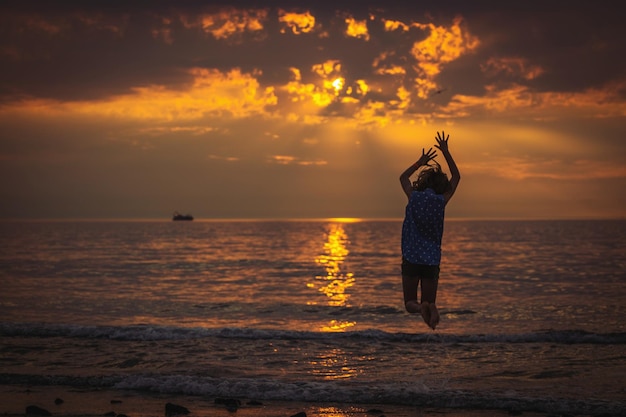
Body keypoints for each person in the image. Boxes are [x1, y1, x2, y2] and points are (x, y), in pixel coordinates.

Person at [399, 131, 460, 330]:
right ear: (441, 186)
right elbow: (456, 177)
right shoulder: (441, 201)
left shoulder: (414, 196)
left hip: (411, 256)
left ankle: (422, 310)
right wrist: (446, 152)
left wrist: (420, 162)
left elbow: (403, 178)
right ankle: (431, 318)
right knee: (430, 301)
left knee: (410, 304)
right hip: (431, 259)